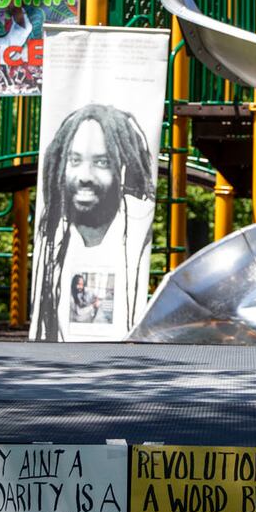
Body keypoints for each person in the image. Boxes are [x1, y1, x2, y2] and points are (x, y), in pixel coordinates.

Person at [31, 103, 155, 338]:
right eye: (74, 160)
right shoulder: (52, 233)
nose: (85, 176)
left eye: (102, 162)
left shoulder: (140, 225)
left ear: (123, 167)